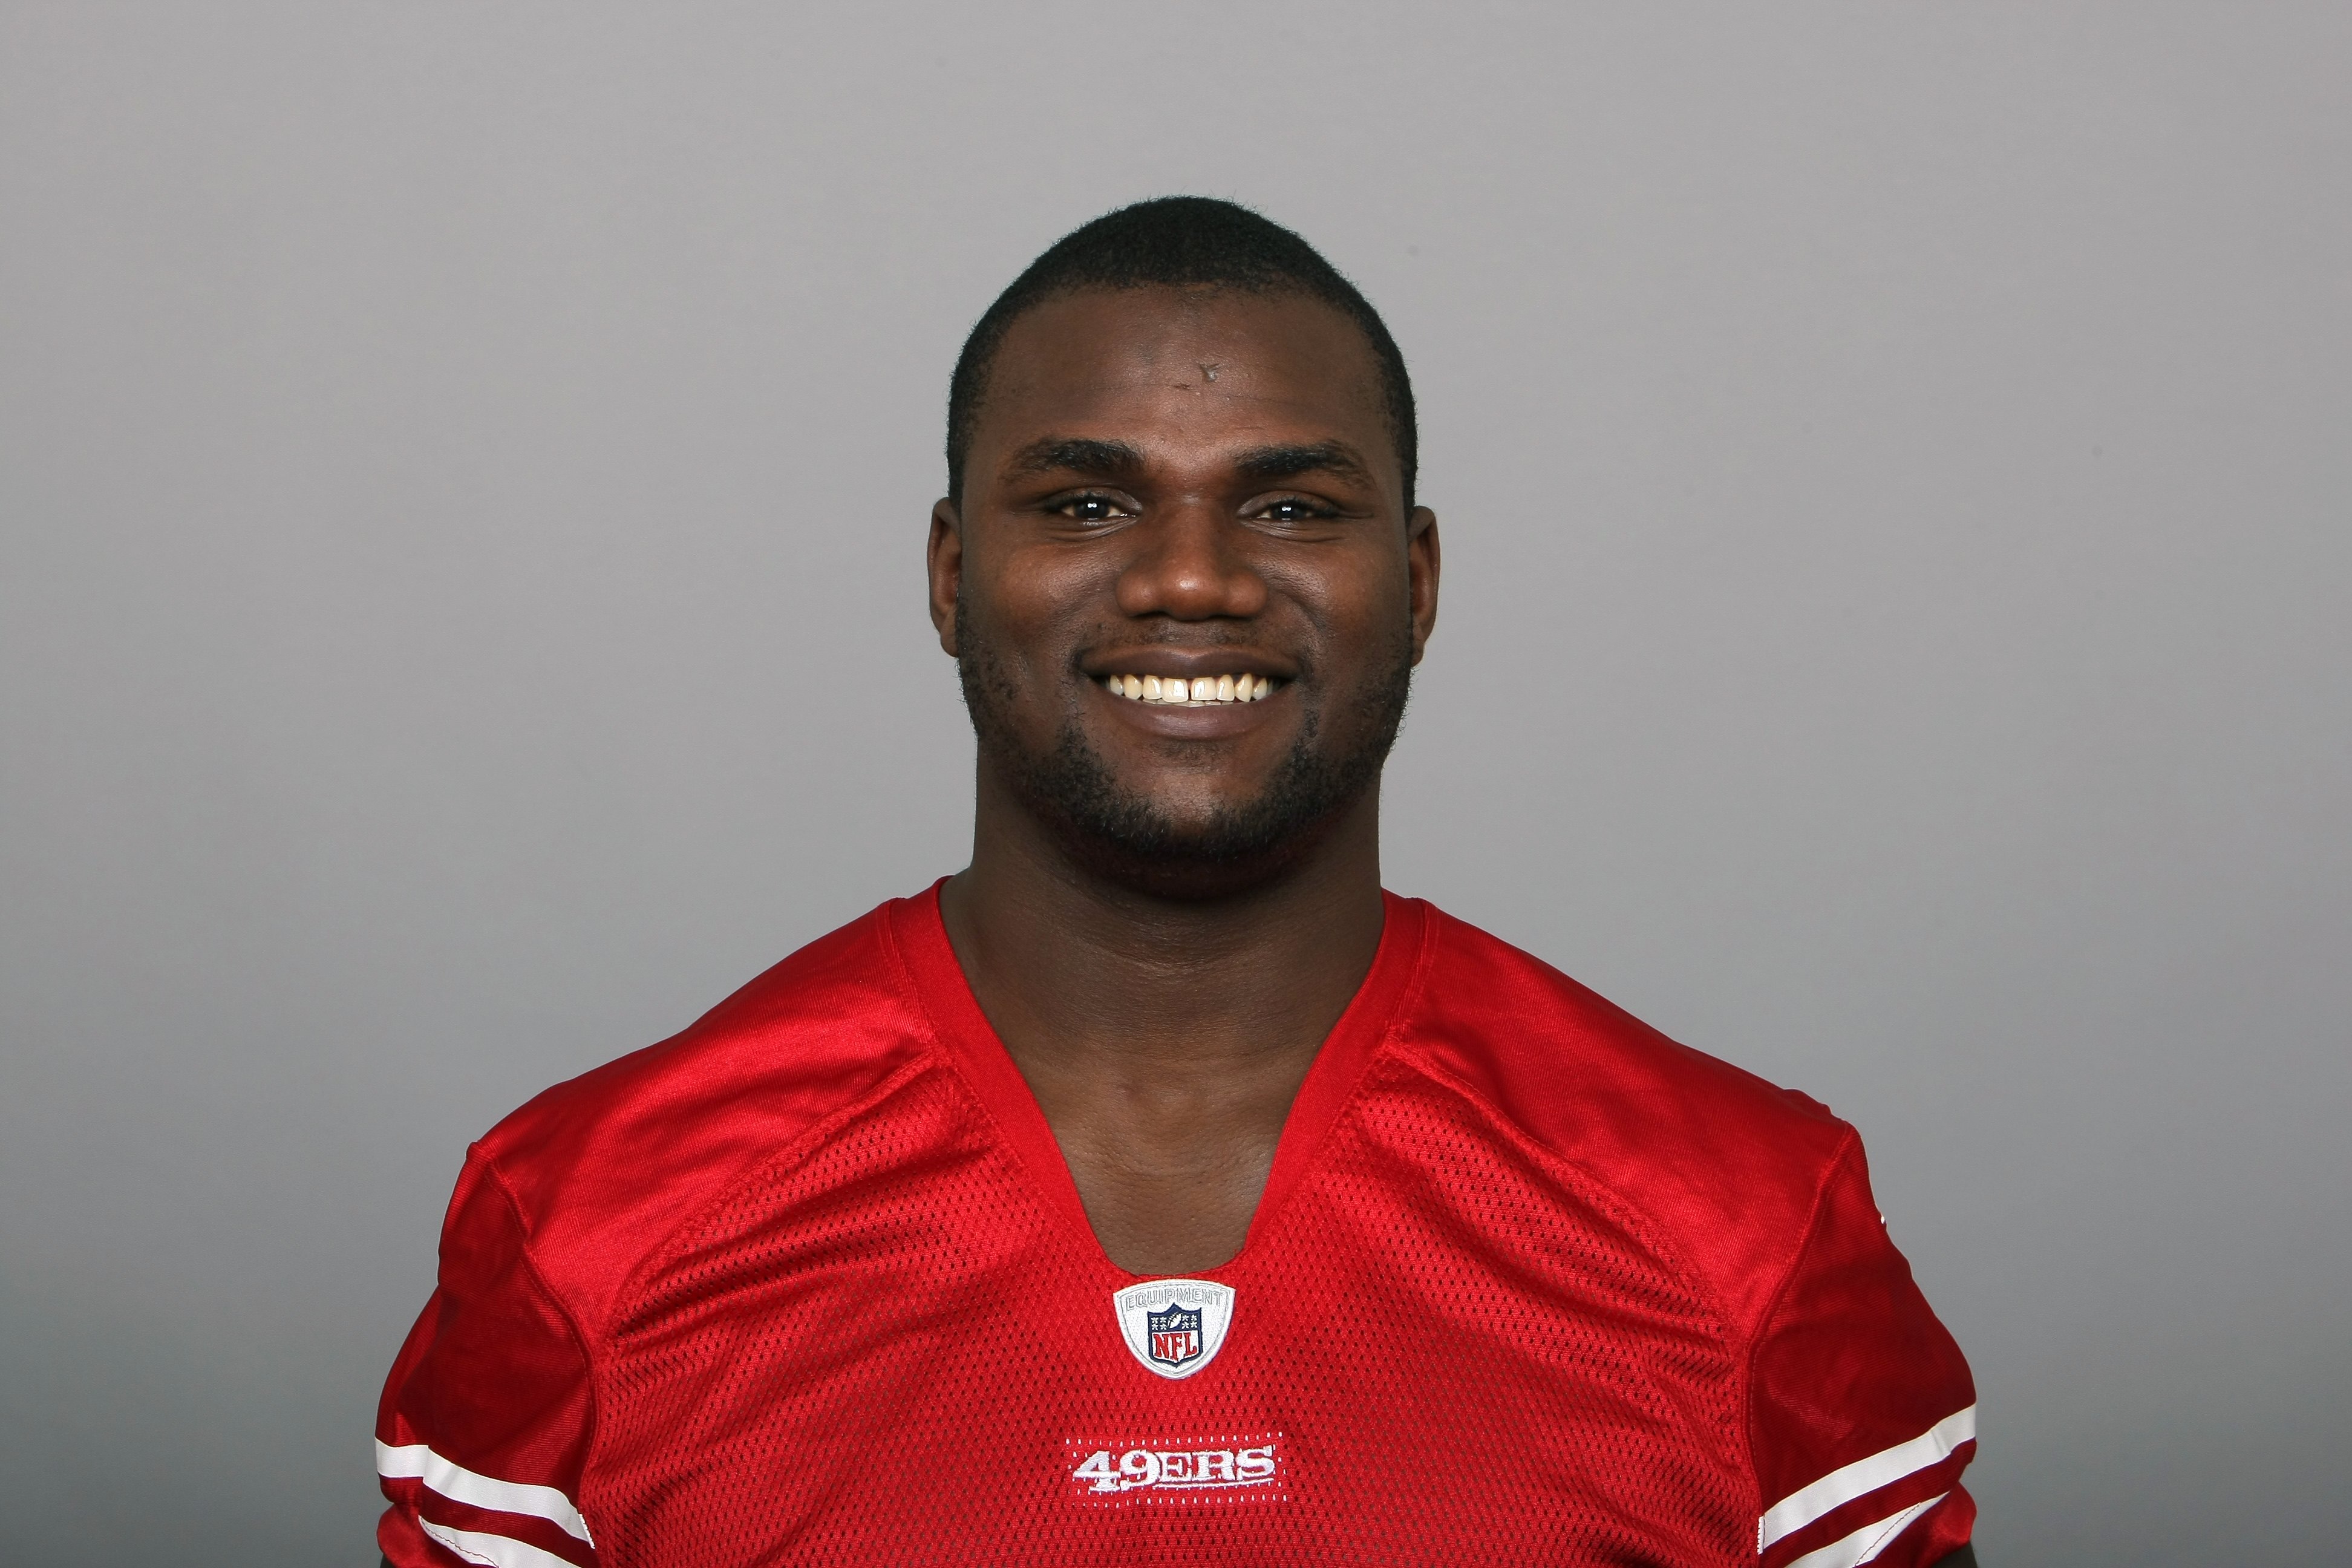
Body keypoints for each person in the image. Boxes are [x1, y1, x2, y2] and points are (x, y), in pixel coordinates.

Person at [374, 197, 1979, 1568]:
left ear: (1414, 585)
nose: (1193, 578)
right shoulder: (589, 1234)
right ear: (949, 577)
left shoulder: (1751, 1238)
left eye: (1290, 505)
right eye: (1085, 503)